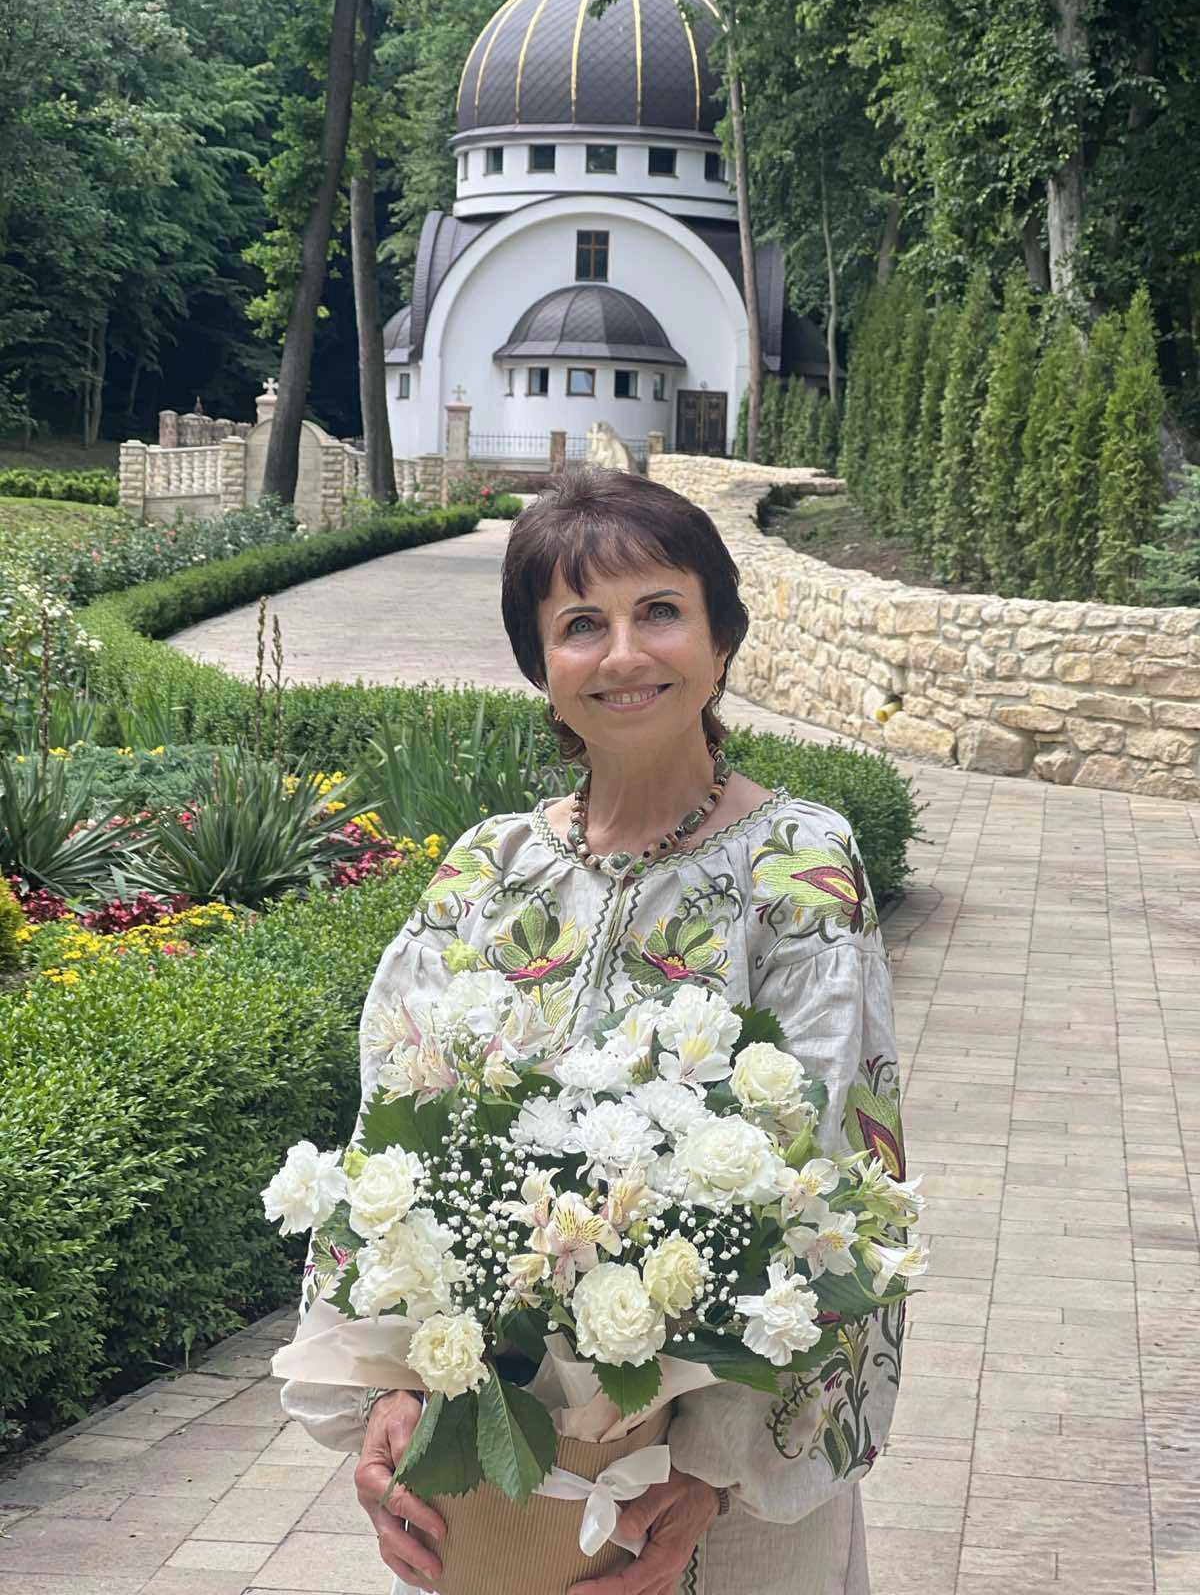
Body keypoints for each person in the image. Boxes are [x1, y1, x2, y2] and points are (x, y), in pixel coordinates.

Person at [280, 467, 908, 1595]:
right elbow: (387, 1143)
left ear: (722, 640)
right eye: (580, 624)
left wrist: (712, 1471)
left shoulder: (797, 866)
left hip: (711, 1498)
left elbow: (839, 1170)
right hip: (494, 1467)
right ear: (540, 665)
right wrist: (391, 1390)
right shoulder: (488, 870)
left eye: (659, 611)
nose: (623, 654)